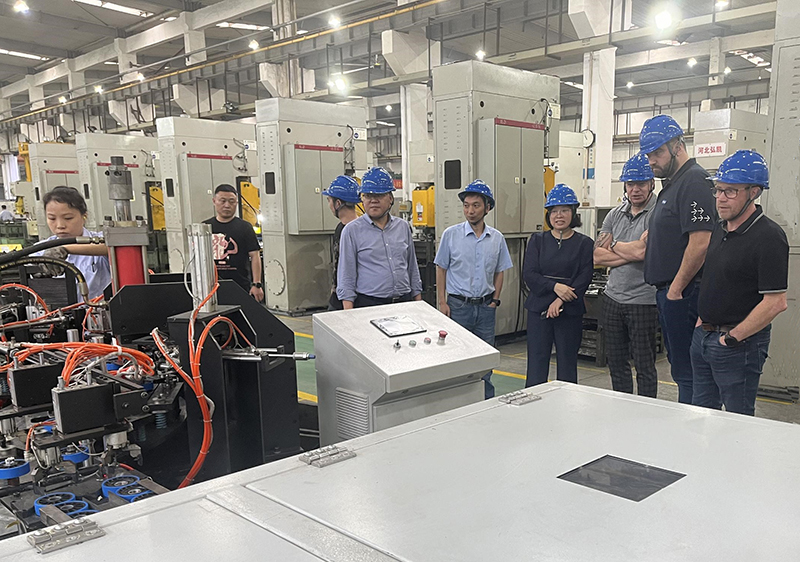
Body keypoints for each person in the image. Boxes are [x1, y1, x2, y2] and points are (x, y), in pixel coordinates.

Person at [692, 150, 788, 416]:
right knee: (700, 416)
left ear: (754, 192)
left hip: (737, 346)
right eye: (718, 190)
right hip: (704, 337)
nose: (721, 198)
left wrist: (733, 338)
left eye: (730, 191)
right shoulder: (719, 228)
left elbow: (776, 302)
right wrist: (702, 323)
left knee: (738, 421)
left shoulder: (769, 237)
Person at [640, 114, 717, 404]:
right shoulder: (673, 184)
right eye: (649, 155)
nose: (652, 161)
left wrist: (675, 290)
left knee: (689, 372)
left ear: (678, 146)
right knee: (681, 368)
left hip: (684, 293)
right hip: (672, 293)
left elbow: (700, 242)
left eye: (658, 152)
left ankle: (694, 425)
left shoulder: (694, 180)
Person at [434, 180, 513, 399]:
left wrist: (495, 300)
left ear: (487, 208)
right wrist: (442, 302)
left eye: (476, 205)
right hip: (458, 306)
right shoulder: (451, 235)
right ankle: (456, 400)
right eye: (466, 205)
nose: (470, 211)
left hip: (486, 308)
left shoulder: (496, 238)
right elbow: (441, 269)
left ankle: (485, 400)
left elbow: (500, 271)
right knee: (457, 356)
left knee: (485, 358)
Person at [594, 154, 659, 397]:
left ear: (651, 183)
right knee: (616, 362)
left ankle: (646, 410)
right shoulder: (614, 214)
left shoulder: (658, 214)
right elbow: (597, 256)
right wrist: (631, 250)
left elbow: (644, 252)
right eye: (630, 184)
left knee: (644, 365)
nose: (635, 189)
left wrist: (614, 246)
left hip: (644, 301)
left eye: (641, 183)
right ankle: (621, 408)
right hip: (612, 299)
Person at [523, 184, 593, 387]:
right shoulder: (537, 240)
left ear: (573, 213)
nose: (559, 215)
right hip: (538, 308)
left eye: (564, 210)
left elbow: (584, 276)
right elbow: (529, 274)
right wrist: (555, 287)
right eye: (554, 211)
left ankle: (567, 403)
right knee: (536, 363)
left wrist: (561, 299)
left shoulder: (584, 243)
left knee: (567, 363)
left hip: (569, 310)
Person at [337, 167, 422, 308]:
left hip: (404, 302)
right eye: (368, 196)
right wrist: (348, 313)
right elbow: (346, 276)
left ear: (390, 198)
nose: (373, 200)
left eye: (379, 195)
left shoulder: (402, 227)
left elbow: (412, 267)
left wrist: (418, 304)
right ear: (362, 199)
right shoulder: (352, 231)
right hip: (369, 304)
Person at [39, 186, 111, 300]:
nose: (60, 225)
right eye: (52, 219)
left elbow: (112, 246)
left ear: (84, 216)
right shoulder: (41, 250)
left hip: (97, 309)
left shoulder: (99, 240)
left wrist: (65, 249)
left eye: (68, 218)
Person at [204, 184, 263, 302]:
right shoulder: (205, 227)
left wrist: (257, 284)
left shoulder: (245, 227)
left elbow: (255, 256)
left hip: (240, 285)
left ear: (236, 203)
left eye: (231, 201)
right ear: (214, 201)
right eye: (222, 201)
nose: (227, 205)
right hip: (210, 287)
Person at [322, 175, 361, 311]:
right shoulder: (341, 228)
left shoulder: (355, 231)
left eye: (329, 200)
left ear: (337, 203)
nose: (329, 205)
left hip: (350, 300)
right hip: (339, 296)